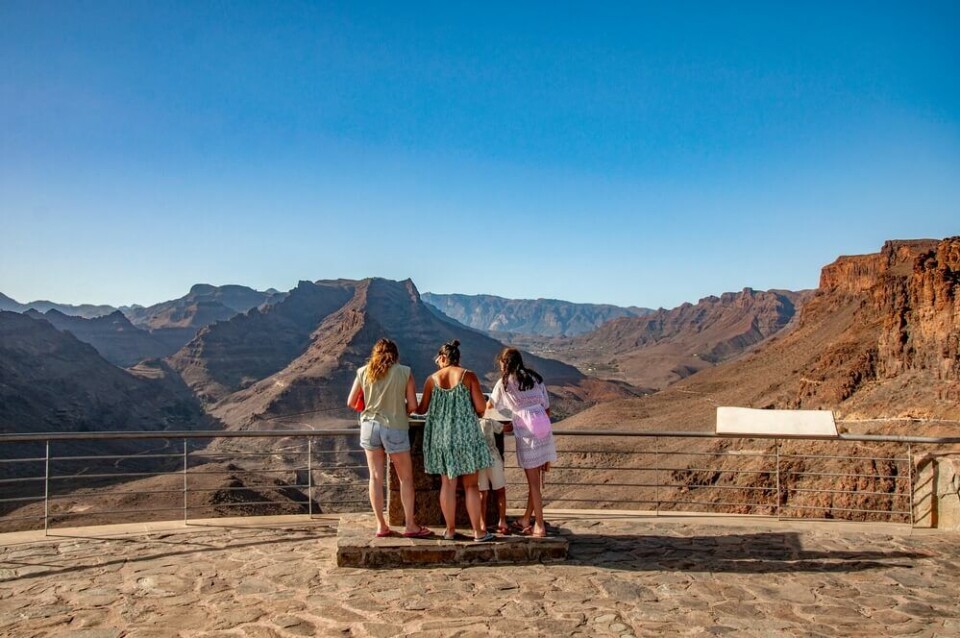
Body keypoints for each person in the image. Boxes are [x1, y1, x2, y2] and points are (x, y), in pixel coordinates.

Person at [347, 338, 430, 539]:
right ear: (395, 354)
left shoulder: (363, 371)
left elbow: (351, 401)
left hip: (369, 426)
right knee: (406, 478)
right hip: (395, 426)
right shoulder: (405, 372)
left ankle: (381, 525)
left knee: (375, 477)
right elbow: (412, 406)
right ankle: (410, 525)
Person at [418, 340, 495, 542]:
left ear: (443, 358)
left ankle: (450, 530)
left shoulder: (431, 380)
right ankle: (478, 532)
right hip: (466, 436)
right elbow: (480, 407)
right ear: (458, 358)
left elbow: (422, 409)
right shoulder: (468, 376)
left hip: (441, 438)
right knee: (471, 486)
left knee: (447, 484)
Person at [487, 347, 556, 538]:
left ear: (505, 363)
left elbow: (490, 406)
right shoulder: (536, 378)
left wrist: (506, 426)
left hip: (527, 432)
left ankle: (539, 526)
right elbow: (547, 408)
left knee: (533, 483)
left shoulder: (504, 383)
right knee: (536, 481)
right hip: (543, 428)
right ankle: (526, 519)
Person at [477, 417, 509, 535]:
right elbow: (505, 428)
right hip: (493, 458)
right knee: (500, 491)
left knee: (482, 493)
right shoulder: (488, 420)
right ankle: (502, 521)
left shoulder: (468, 420)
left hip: (478, 460)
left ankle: (482, 523)